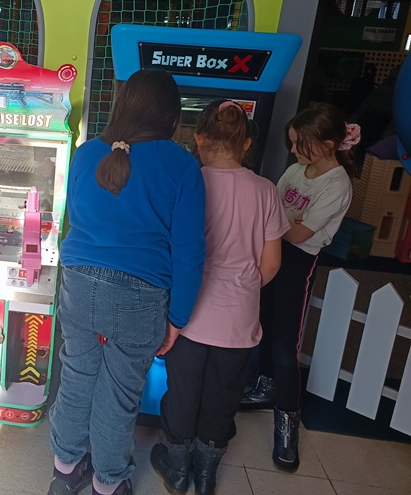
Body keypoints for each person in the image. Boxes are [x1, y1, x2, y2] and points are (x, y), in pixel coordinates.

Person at [48, 69, 206, 495]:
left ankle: (65, 470)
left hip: (78, 283)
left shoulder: (86, 154)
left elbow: (73, 218)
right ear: (172, 117)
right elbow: (189, 252)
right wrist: (178, 317)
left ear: (122, 105)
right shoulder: (183, 166)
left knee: (76, 376)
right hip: (140, 294)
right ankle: (108, 483)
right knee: (118, 393)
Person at [150, 101, 288, 495]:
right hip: (239, 319)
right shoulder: (266, 190)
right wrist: (242, 289)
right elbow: (272, 263)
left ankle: (178, 469)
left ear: (199, 139)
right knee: (223, 396)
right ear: (245, 144)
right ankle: (206, 474)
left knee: (182, 392)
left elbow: (169, 249)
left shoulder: (187, 181)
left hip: (188, 315)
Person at [240, 102, 361, 472]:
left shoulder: (337, 185)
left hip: (297, 263)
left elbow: (296, 233)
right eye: (291, 142)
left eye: (300, 144)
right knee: (262, 325)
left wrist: (269, 220)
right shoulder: (295, 171)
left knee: (285, 345)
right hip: (270, 253)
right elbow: (275, 215)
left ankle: (287, 424)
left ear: (328, 144)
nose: (293, 151)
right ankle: (265, 386)